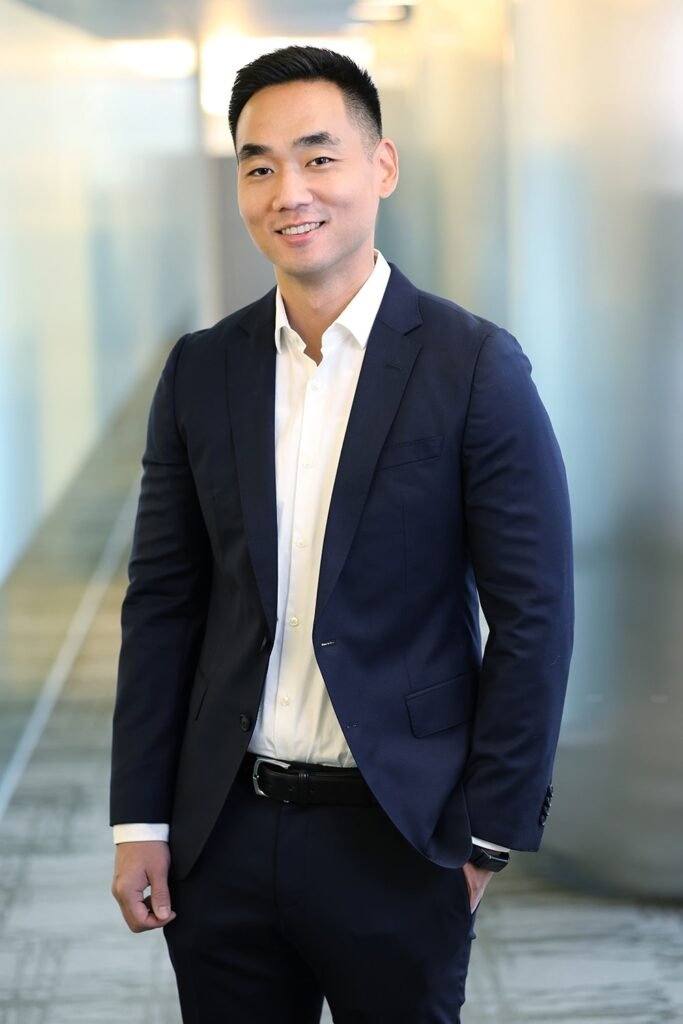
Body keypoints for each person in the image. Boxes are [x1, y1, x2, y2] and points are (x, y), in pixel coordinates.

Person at [110, 45, 573, 1024]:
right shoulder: (201, 371)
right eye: (259, 163)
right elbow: (162, 606)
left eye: (319, 156)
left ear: (381, 167)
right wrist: (141, 819)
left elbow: (533, 616)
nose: (289, 190)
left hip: (397, 837)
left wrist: (483, 836)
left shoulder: (472, 366)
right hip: (222, 834)